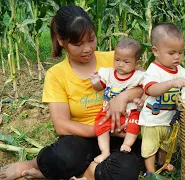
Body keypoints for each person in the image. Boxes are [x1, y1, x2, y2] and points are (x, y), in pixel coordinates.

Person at [0, 5, 143, 180]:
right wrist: (103, 129)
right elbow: (62, 125)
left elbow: (147, 83)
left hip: (121, 136)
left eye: (91, 39)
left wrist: (125, 96)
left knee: (124, 172)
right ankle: (31, 165)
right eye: (78, 44)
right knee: (58, 158)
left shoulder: (116, 59)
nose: (88, 49)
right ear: (61, 41)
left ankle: (81, 173)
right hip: (82, 137)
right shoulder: (56, 75)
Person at [138, 22, 185, 175]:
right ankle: (150, 170)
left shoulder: (181, 71)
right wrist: (171, 83)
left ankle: (162, 162)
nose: (177, 57)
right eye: (172, 53)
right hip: (152, 120)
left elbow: (184, 92)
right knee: (150, 146)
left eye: (180, 52)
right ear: (156, 51)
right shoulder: (153, 71)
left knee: (167, 145)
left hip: (169, 119)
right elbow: (151, 89)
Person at [90, 38, 144, 163]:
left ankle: (127, 144)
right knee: (100, 124)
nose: (120, 64)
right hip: (108, 110)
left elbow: (146, 89)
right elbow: (100, 87)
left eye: (126, 62)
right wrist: (95, 82)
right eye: (117, 60)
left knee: (134, 123)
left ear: (136, 63)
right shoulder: (108, 73)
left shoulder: (138, 76)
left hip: (129, 111)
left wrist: (141, 100)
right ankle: (105, 151)